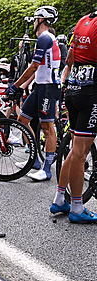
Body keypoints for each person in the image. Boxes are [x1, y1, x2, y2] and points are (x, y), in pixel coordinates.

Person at [50, 10, 97, 223]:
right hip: (91, 95)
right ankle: (77, 208)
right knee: (80, 153)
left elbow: (70, 58)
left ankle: (60, 198)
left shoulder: (83, 21)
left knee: (76, 149)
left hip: (74, 91)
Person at [7, 6, 61, 182]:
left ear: (41, 21)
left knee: (47, 127)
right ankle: (35, 161)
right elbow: (38, 70)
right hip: (40, 86)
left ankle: (47, 169)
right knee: (22, 120)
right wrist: (23, 86)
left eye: (35, 19)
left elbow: (34, 66)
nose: (33, 22)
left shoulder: (45, 38)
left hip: (49, 87)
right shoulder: (44, 39)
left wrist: (16, 85)